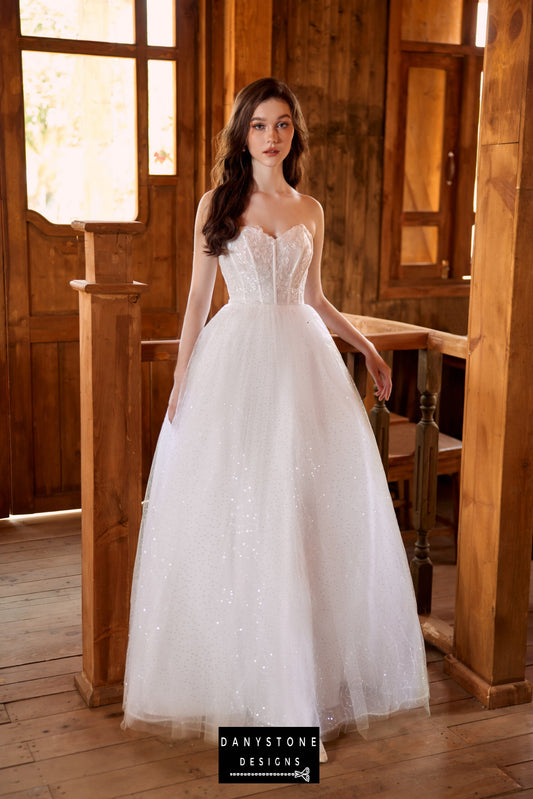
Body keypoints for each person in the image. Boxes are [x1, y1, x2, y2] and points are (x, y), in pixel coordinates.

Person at [122, 77, 429, 761]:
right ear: (243, 133)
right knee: (246, 517)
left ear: (294, 134)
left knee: (303, 518)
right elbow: (198, 301)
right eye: (259, 125)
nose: (271, 135)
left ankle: (299, 698)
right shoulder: (218, 203)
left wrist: (368, 348)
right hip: (236, 368)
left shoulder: (310, 209)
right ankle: (258, 699)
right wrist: (181, 383)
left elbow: (314, 296)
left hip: (302, 368)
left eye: (282, 124)